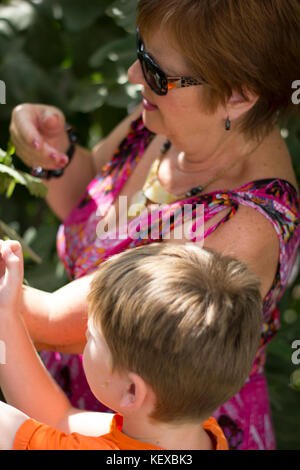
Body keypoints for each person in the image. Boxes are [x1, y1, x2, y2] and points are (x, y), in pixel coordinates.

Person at [9, 0, 300, 450]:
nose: (132, 74)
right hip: (76, 410)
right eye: (141, 48)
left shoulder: (241, 232)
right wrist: (51, 155)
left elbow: (50, 323)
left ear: (237, 95)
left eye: (154, 68)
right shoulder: (167, 120)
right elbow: (88, 205)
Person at [0, 239, 263, 450]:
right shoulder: (201, 434)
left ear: (131, 391)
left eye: (91, 336)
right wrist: (5, 314)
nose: (84, 334)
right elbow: (57, 418)